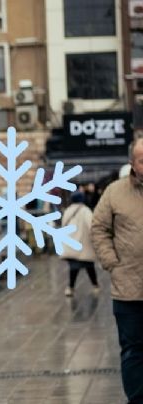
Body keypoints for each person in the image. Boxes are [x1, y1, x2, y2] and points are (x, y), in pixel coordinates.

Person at [91, 138, 143, 403]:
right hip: (129, 289)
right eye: (142, 159)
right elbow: (98, 228)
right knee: (133, 350)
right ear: (133, 164)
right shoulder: (114, 192)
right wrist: (111, 261)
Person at [60, 191, 98, 297]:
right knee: (89, 265)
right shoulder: (86, 211)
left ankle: (70, 287)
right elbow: (92, 226)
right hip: (83, 243)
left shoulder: (67, 210)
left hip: (71, 244)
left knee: (73, 267)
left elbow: (63, 225)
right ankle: (95, 285)